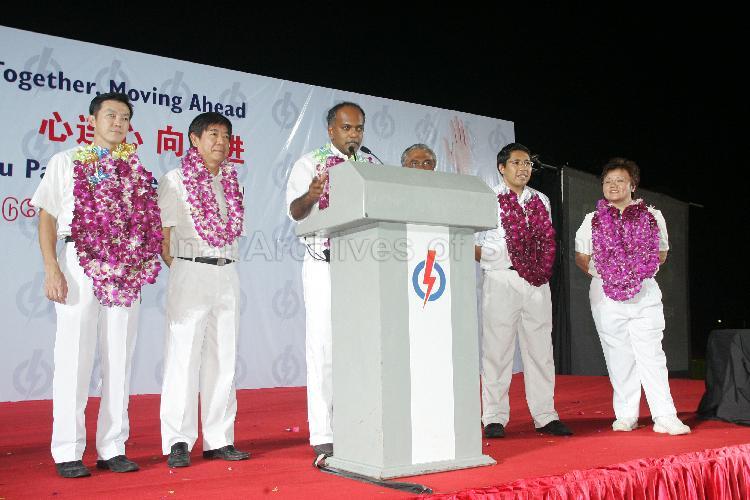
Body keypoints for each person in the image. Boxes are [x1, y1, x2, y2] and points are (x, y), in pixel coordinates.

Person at [31, 92, 162, 478]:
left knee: (119, 357)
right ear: (91, 120)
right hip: (80, 262)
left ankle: (112, 446)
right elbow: (48, 218)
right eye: (110, 115)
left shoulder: (136, 170)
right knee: (74, 356)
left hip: (125, 269)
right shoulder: (67, 161)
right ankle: (68, 450)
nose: (118, 123)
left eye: (124, 117)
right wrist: (52, 267)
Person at [158, 112, 250, 467]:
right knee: (183, 358)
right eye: (213, 134)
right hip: (191, 272)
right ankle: (177, 440)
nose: (221, 142)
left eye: (226, 136)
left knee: (224, 357)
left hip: (227, 275)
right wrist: (185, 269)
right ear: (194, 140)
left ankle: (219, 439)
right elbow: (162, 239)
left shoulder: (232, 182)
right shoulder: (175, 180)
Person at [285, 102, 377, 457]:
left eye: (358, 128)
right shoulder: (309, 163)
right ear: (330, 131)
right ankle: (323, 431)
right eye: (347, 128)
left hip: (364, 268)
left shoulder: (370, 165)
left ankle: (359, 424)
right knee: (323, 348)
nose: (354, 134)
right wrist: (311, 194)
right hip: (323, 264)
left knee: (361, 348)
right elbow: (294, 212)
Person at [574, 158, 690, 435]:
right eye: (607, 181)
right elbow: (581, 256)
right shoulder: (592, 219)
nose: (613, 186)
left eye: (620, 180)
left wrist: (633, 273)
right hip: (605, 294)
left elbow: (661, 252)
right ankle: (626, 415)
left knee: (651, 354)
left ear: (633, 185)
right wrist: (610, 275)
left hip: (644, 292)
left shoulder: (652, 215)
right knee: (617, 354)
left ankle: (665, 415)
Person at [475, 143, 572, 438]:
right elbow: (472, 243)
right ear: (502, 167)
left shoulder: (541, 199)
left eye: (528, 163)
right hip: (502, 279)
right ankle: (493, 416)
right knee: (498, 351)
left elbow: (546, 242)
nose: (523, 168)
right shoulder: (486, 198)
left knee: (541, 351)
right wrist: (502, 257)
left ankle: (545, 414)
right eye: (516, 163)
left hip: (537, 283)